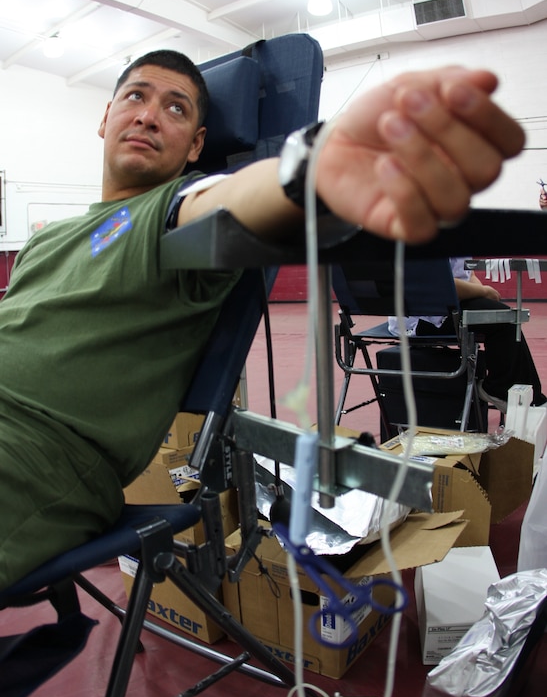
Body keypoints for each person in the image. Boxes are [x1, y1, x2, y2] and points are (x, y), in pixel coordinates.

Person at [0, 51, 526, 590]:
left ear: (197, 145)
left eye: (175, 108)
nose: (149, 115)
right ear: (106, 115)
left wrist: (320, 160)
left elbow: (232, 200)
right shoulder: (44, 241)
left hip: (31, 456)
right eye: (136, 96)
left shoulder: (173, 211)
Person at [387, 257, 546, 413]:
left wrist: (481, 292)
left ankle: (530, 396)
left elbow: (469, 275)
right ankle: (500, 390)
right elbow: (441, 285)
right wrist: (483, 291)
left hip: (448, 305)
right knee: (504, 319)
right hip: (423, 316)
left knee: (505, 316)